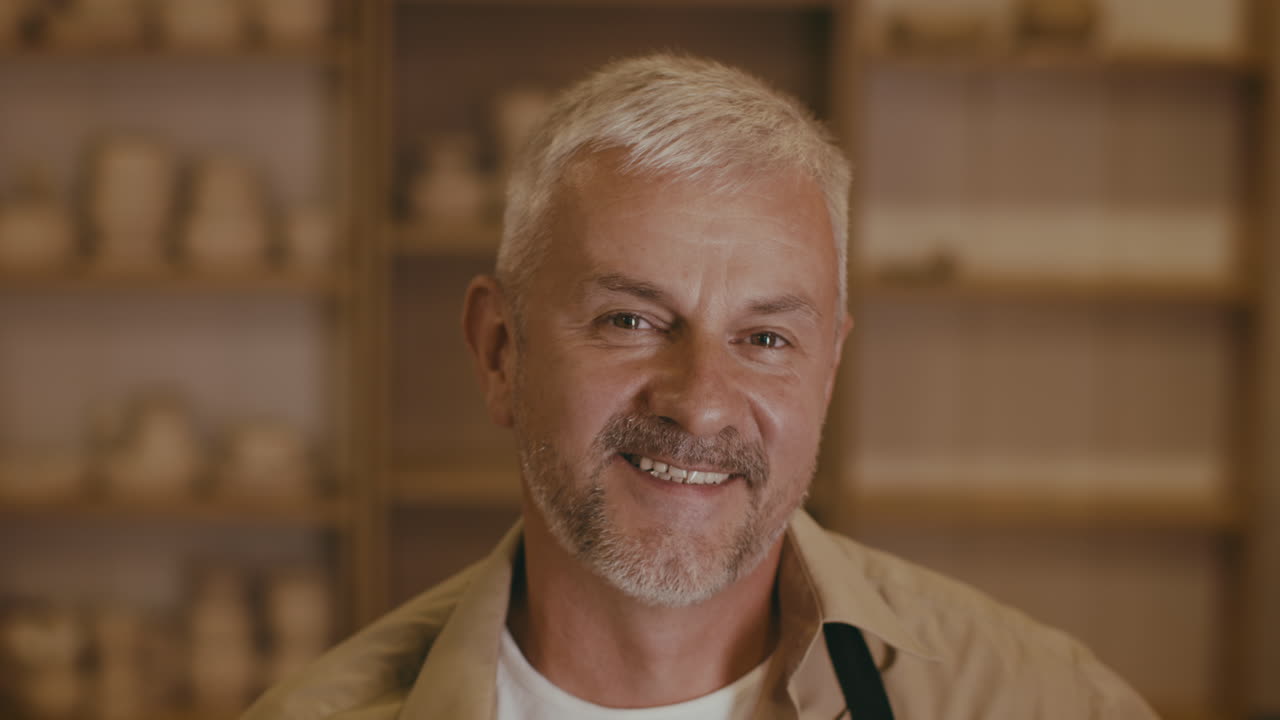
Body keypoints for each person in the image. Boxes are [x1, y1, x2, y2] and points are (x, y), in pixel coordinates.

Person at [243, 54, 1158, 720]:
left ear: (828, 371)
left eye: (765, 338)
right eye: (631, 321)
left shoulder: (1034, 699)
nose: (701, 400)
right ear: (500, 353)